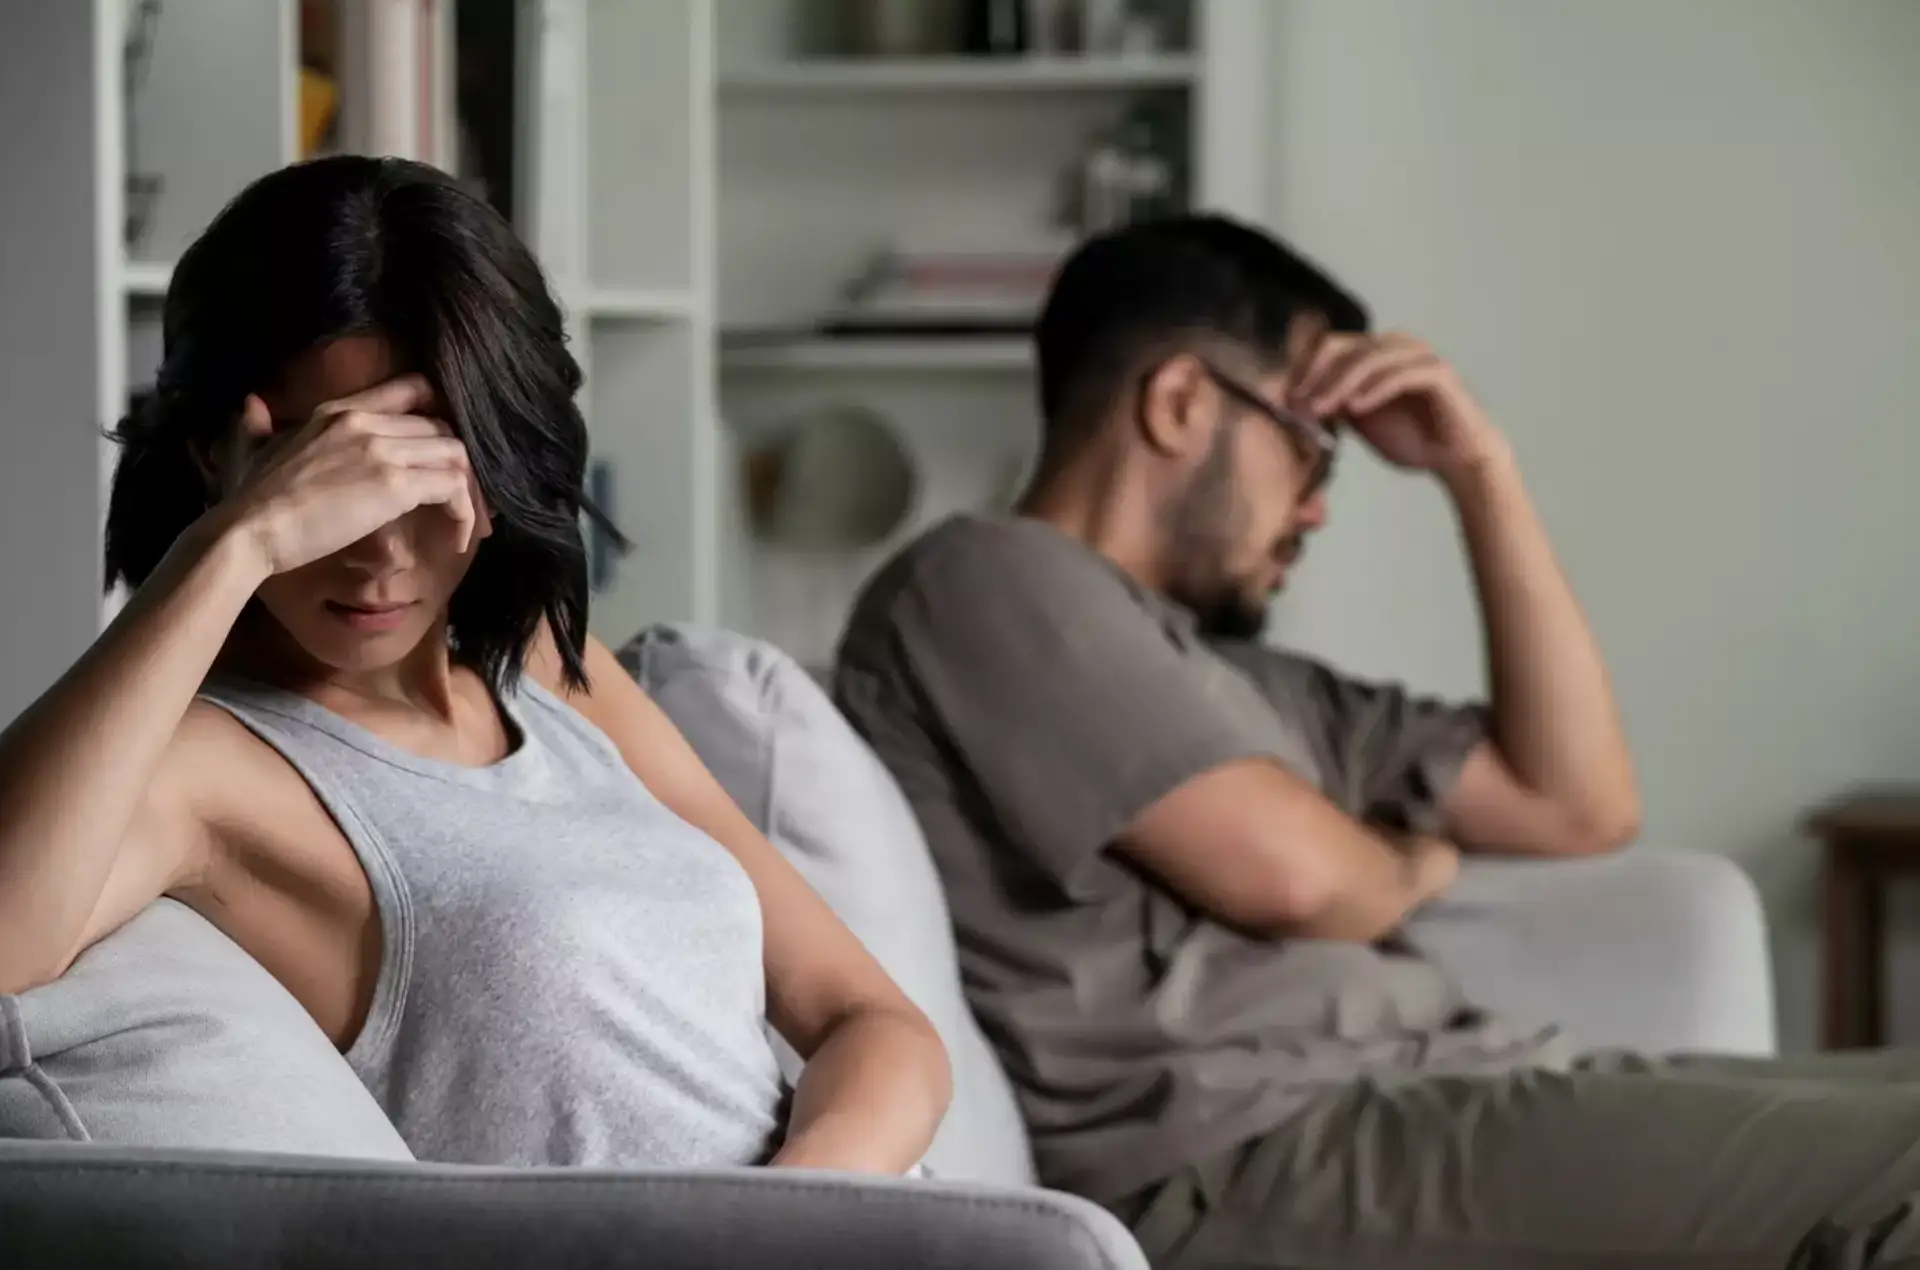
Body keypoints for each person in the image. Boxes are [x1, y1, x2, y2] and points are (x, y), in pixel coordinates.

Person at [833, 215, 1920, 1268]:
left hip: (1444, 1092)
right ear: (1177, 403)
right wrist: (1414, 862)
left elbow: (1577, 804)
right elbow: (1299, 879)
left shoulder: (1248, 682)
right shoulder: (985, 577)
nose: (1317, 510)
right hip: (1257, 1150)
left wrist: (1479, 471)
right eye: (1314, 450)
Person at [0, 156, 950, 1175]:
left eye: (430, 473)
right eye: (337, 476)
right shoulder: (207, 763)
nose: (383, 554)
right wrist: (233, 548)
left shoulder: (544, 664)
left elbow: (875, 1024)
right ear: (214, 456)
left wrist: (796, 1220)